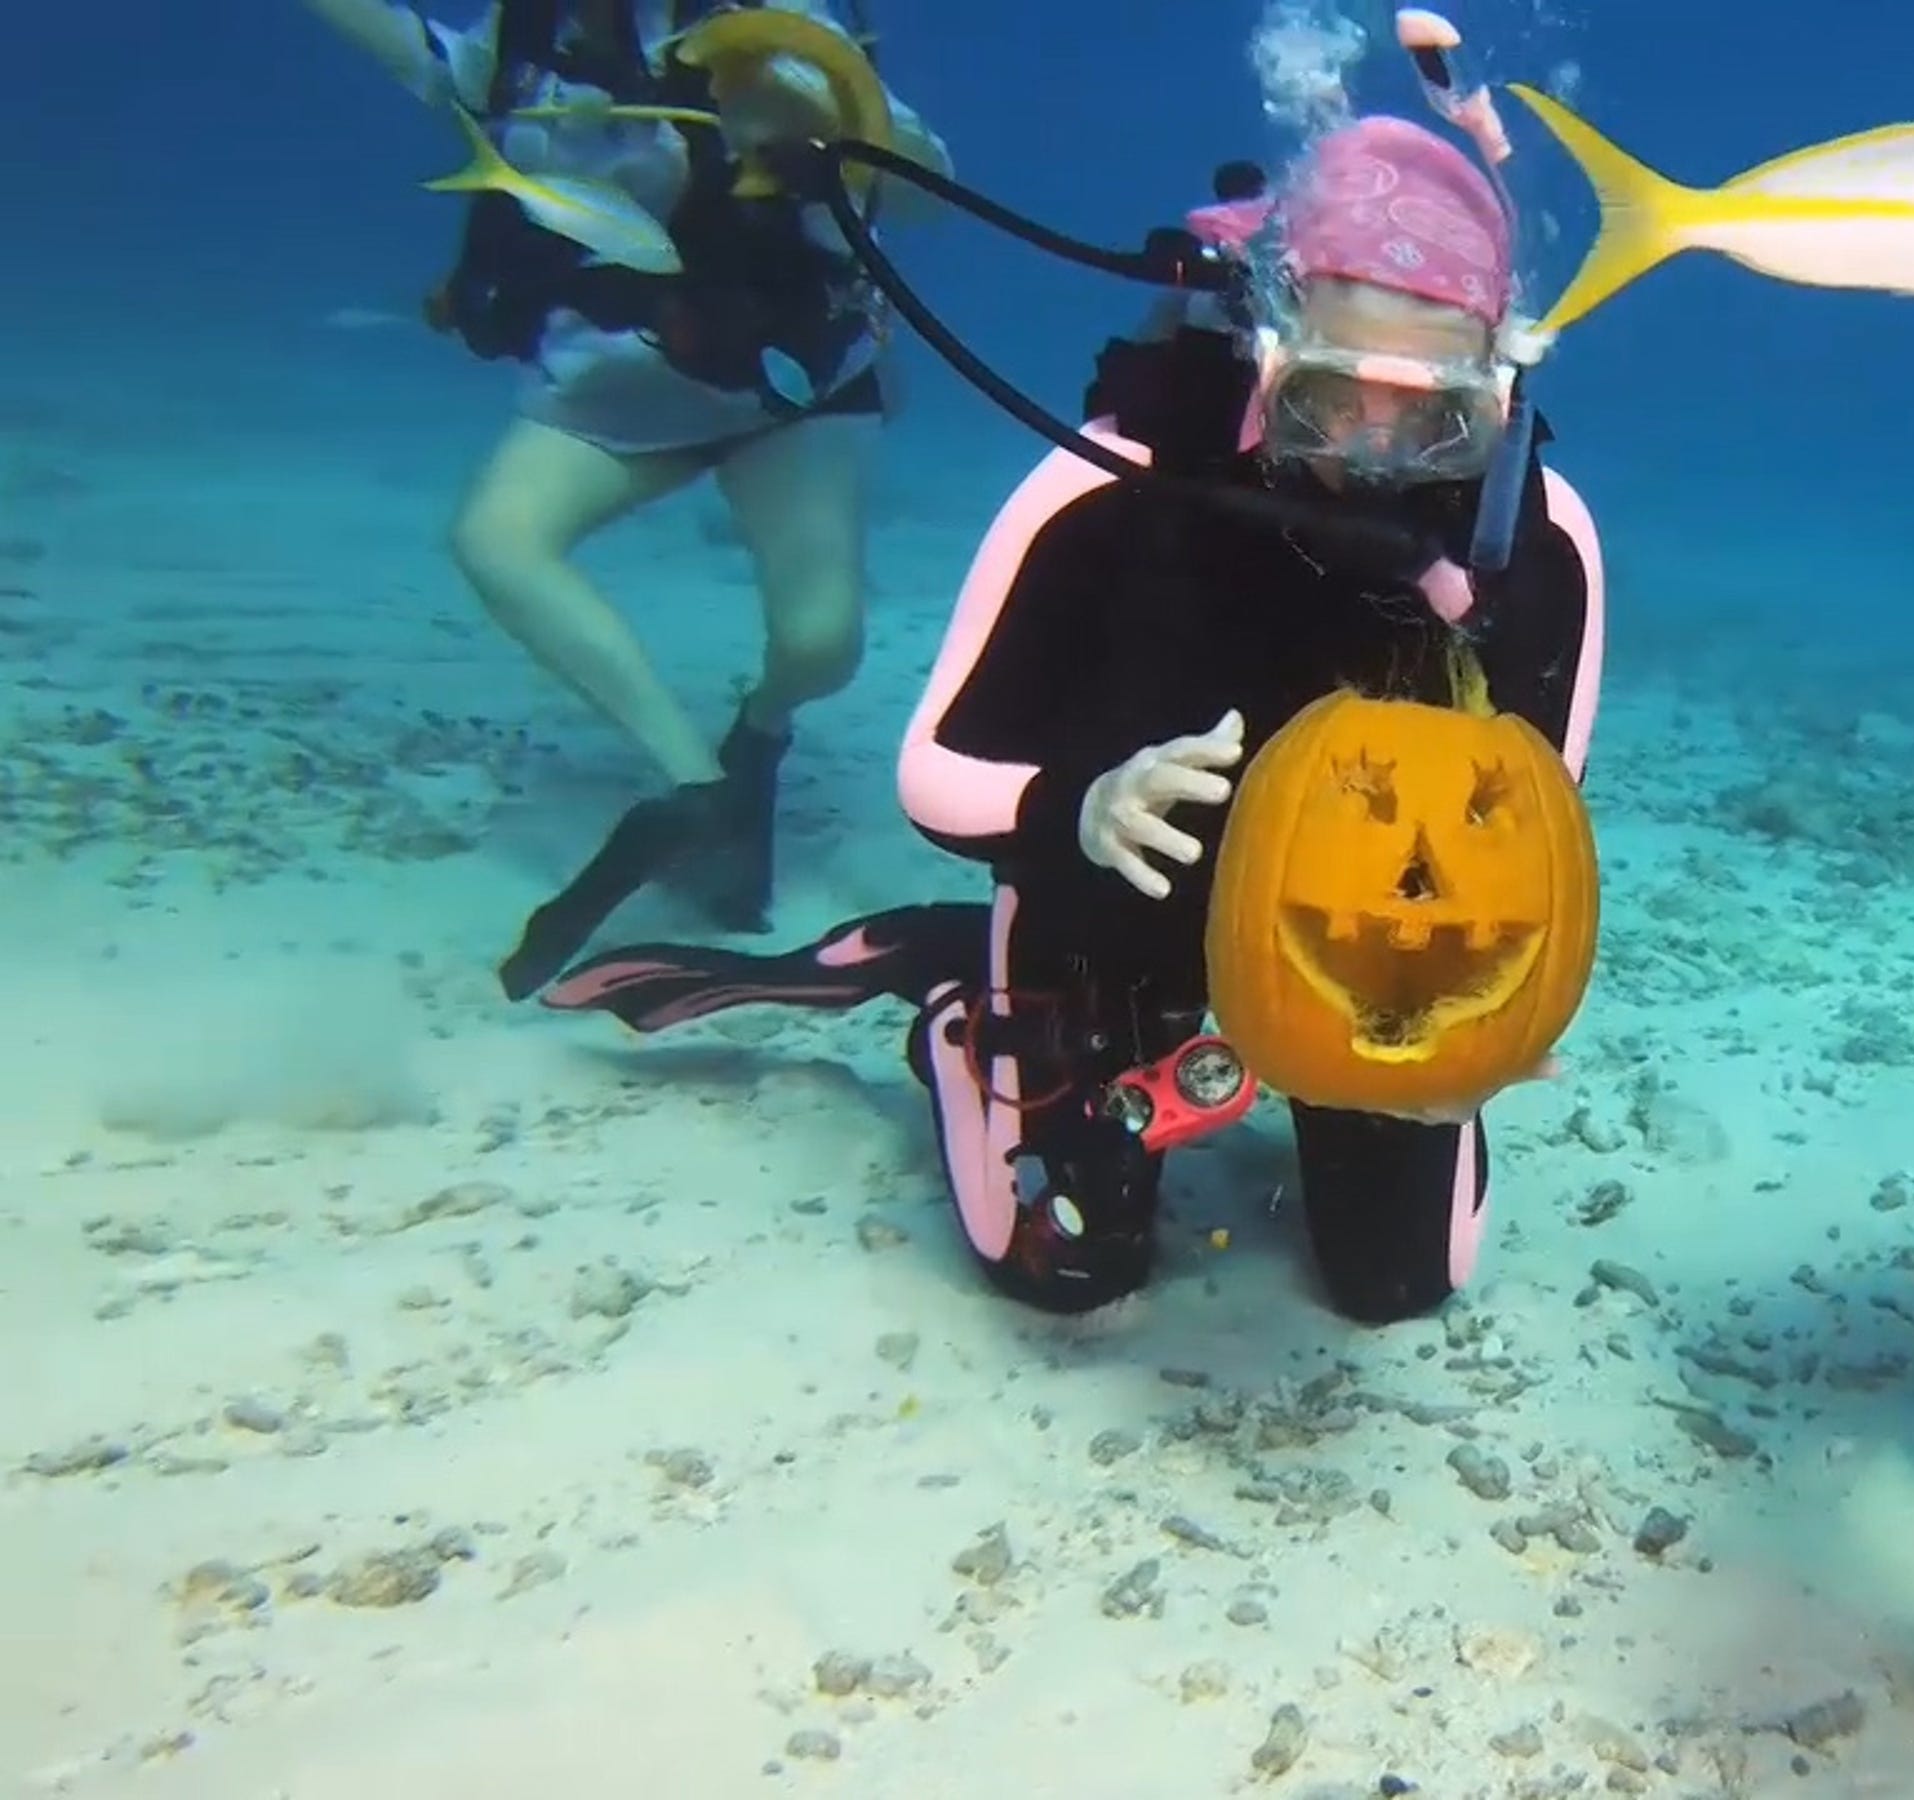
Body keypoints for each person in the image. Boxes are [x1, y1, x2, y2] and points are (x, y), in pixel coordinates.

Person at [539, 113, 1606, 1327]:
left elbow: (1534, 825)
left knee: (1397, 1285)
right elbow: (933, 767)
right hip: (1113, 906)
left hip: (1362, 938)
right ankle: (963, 1001)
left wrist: (1485, 1029)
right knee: (1066, 1270)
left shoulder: (1540, 543)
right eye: (1328, 403)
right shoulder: (1113, 479)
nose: (1371, 457)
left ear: (1497, 392)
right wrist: (1079, 808)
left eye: (1432, 421)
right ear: (1269, 355)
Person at [297, 0, 954, 993]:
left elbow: (925, 191)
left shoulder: (771, 28)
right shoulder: (519, 41)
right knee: (495, 539)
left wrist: (830, 117)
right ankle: (696, 786)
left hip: (793, 386)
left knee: (821, 644)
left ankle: (761, 733)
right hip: (615, 388)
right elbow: (409, 47)